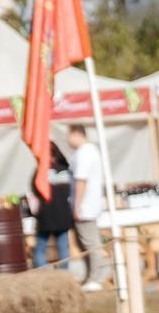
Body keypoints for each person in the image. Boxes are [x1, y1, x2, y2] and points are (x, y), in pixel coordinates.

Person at [67, 124, 111, 291]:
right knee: (85, 243)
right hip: (87, 205)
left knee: (91, 243)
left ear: (75, 134)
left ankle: (95, 279)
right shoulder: (89, 151)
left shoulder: (85, 153)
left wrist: (77, 206)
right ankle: (91, 277)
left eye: (69, 136)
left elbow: (81, 181)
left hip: (85, 206)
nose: (68, 140)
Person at [32, 144, 76, 270]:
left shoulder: (41, 171)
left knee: (40, 248)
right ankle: (63, 275)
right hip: (63, 213)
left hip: (46, 214)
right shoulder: (66, 169)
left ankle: (44, 275)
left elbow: (34, 189)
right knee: (63, 248)